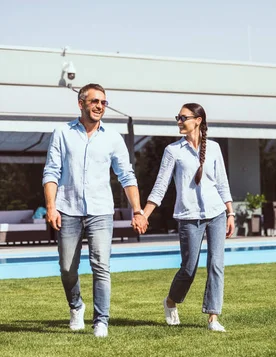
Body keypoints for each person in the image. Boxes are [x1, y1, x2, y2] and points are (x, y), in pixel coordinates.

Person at [42, 83, 148, 338]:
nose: (100, 106)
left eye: (103, 102)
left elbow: (126, 176)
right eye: (94, 101)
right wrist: (51, 206)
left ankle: (101, 320)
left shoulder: (113, 138)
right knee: (67, 268)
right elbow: (51, 171)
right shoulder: (62, 132)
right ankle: (76, 306)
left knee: (101, 266)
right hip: (68, 209)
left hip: (101, 211)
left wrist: (137, 210)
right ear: (81, 104)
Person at [142, 103, 234, 332]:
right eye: (178, 118)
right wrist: (144, 214)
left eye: (183, 118)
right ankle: (171, 301)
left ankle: (213, 317)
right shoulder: (173, 151)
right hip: (188, 217)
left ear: (198, 120)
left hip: (216, 214)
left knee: (216, 265)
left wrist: (230, 212)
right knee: (188, 268)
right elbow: (161, 186)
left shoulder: (214, 148)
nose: (179, 122)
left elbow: (222, 183)